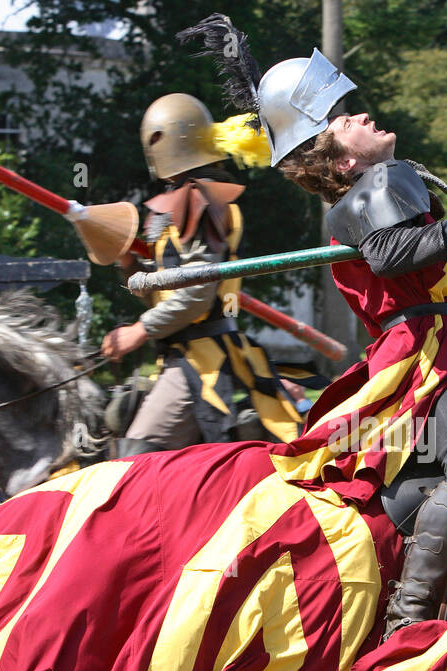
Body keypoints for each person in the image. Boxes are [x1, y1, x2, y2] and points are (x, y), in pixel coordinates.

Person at [181, 16, 447, 640]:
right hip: (422, 366)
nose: (362, 115)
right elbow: (391, 258)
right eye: (346, 119)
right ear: (340, 159)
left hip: (433, 346)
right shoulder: (368, 192)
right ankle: (409, 617)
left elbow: (421, 300)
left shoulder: (379, 188)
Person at [104, 92, 302, 454]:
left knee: (134, 458)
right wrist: (128, 263)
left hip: (204, 358)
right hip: (182, 355)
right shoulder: (185, 199)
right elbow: (163, 288)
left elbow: (198, 291)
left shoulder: (200, 199)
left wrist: (139, 331)